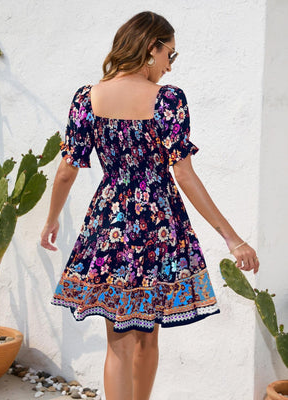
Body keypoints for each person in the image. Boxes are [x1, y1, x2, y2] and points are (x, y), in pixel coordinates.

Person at [41, 11, 259, 400]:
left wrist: (52, 219)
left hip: (110, 225)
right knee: (146, 337)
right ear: (149, 48)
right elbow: (186, 177)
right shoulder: (167, 101)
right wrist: (233, 238)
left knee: (118, 343)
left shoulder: (86, 98)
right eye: (168, 55)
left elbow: (65, 173)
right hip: (158, 226)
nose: (169, 67)